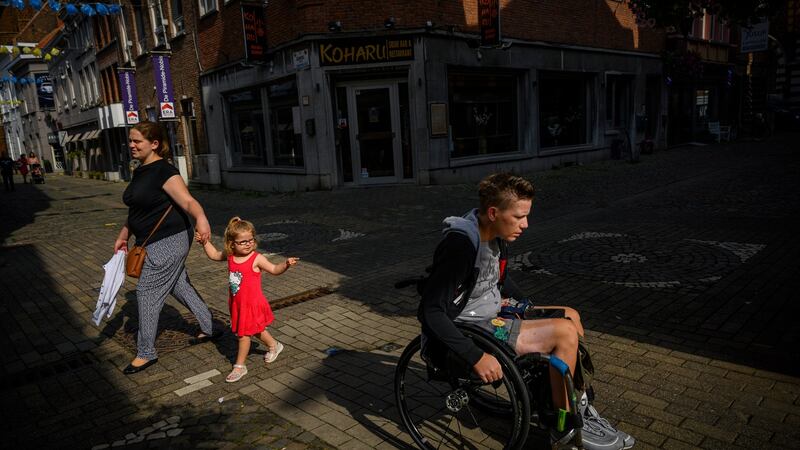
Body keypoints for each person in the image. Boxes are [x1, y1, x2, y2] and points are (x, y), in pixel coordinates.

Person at [418, 173, 634, 449]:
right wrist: (475, 356)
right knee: (563, 333)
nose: (526, 224)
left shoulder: (495, 235)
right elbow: (431, 311)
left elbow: (500, 278)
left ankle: (576, 403)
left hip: (492, 313)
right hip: (470, 329)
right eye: (519, 217)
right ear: (494, 212)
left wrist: (528, 307)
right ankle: (563, 424)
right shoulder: (460, 246)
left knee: (569, 314)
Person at [113, 121, 219, 374]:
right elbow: (137, 209)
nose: (132, 145)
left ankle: (146, 353)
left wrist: (202, 219)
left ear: (154, 144)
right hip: (150, 239)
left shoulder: (165, 171)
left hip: (169, 239)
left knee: (147, 293)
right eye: (130, 140)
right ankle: (210, 327)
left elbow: (189, 202)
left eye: (137, 141)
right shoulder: (140, 170)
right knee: (179, 284)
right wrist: (123, 235)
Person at [196, 217, 298, 382]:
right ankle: (274, 345)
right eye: (243, 242)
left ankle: (239, 366)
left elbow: (273, 269)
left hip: (252, 304)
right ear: (232, 244)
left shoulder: (256, 258)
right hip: (237, 304)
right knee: (256, 329)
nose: (248, 244)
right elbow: (214, 255)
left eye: (250, 240)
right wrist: (205, 242)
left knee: (243, 334)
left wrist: (285, 264)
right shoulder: (230, 256)